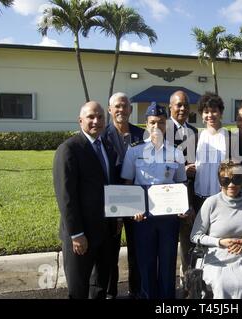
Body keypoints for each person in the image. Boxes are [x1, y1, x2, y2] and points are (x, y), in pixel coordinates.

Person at [121, 102, 188, 299]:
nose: (156, 127)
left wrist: (184, 206)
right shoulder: (135, 151)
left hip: (168, 217)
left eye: (160, 123)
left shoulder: (175, 152)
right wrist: (132, 208)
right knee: (146, 262)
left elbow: (182, 183)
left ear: (166, 124)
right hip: (143, 218)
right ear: (146, 125)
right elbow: (127, 183)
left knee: (168, 263)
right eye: (152, 123)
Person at [53, 101, 117, 299]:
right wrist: (76, 234)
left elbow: (111, 185)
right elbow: (66, 197)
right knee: (78, 288)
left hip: (106, 230)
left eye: (100, 117)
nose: (96, 121)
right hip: (82, 235)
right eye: (90, 117)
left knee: (99, 286)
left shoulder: (107, 146)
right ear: (80, 120)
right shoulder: (69, 149)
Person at [190, 161, 242, 299]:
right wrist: (220, 242)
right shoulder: (211, 203)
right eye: (225, 180)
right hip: (217, 255)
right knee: (222, 284)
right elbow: (195, 236)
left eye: (236, 179)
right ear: (220, 182)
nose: (231, 185)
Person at [99, 92, 145, 299]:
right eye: (117, 106)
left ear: (130, 110)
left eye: (125, 106)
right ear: (110, 110)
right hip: (113, 203)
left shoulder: (142, 135)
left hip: (138, 202)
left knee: (137, 250)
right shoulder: (102, 136)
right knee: (111, 251)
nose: (121, 110)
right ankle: (110, 292)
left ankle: (136, 290)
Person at [167, 90, 199, 290]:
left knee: (189, 248)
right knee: (167, 249)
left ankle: (188, 289)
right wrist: (181, 169)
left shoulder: (195, 132)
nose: (182, 108)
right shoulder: (161, 129)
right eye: (178, 104)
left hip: (190, 198)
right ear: (170, 106)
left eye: (186, 105)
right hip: (167, 199)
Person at [193, 92, 230, 214]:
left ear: (221, 113)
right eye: (206, 112)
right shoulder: (196, 137)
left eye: (214, 111)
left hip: (224, 194)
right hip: (200, 195)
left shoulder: (230, 137)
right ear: (201, 114)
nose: (210, 115)